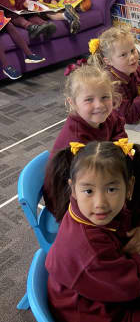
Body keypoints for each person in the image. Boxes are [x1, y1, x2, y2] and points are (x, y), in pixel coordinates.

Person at [45, 140, 140, 322]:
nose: (100, 203)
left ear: (129, 187)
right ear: (73, 190)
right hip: (91, 311)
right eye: (88, 191)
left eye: (111, 189)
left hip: (105, 288)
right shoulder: (89, 247)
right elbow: (132, 285)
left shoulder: (95, 210)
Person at [44, 63, 126, 221]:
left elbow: (118, 130)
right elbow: (87, 181)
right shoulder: (76, 140)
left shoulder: (108, 117)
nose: (99, 105)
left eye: (105, 97)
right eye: (89, 100)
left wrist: (117, 149)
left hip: (93, 184)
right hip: (67, 203)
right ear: (73, 103)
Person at [88, 26, 140, 124]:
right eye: (123, 55)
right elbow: (129, 118)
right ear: (109, 61)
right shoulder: (111, 84)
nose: (132, 57)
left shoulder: (137, 70)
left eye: (133, 50)